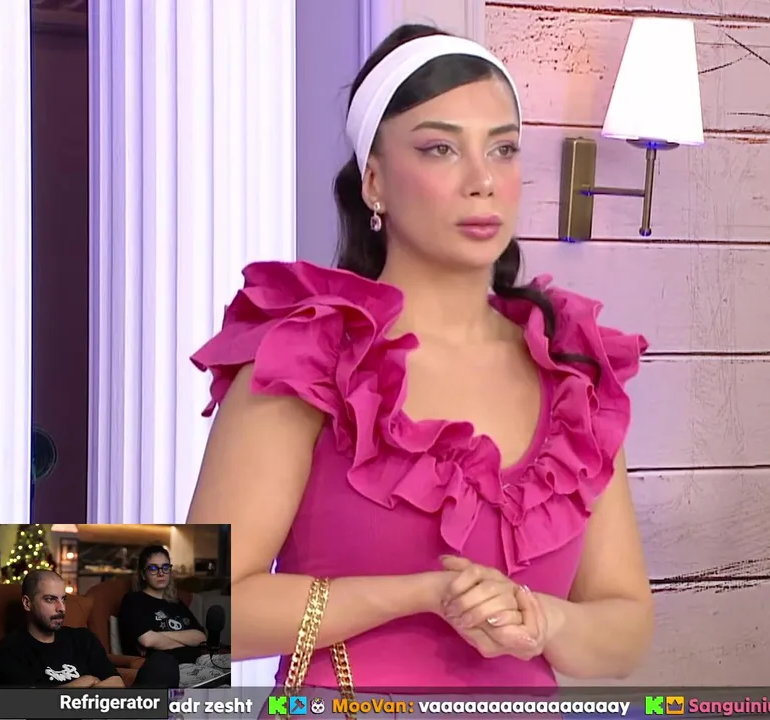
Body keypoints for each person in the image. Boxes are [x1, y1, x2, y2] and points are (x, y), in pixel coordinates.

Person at [184, 22, 652, 702]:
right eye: (440, 148)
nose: (482, 181)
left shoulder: (573, 372)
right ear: (374, 181)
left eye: (503, 149)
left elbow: (626, 628)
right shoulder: (307, 356)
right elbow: (199, 612)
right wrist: (421, 594)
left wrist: (541, 619)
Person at [0, 570, 179, 688]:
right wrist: (85, 682)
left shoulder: (82, 638)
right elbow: (33, 706)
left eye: (63, 599)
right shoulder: (9, 650)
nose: (61, 608)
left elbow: (116, 683)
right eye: (50, 599)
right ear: (27, 603)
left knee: (163, 664)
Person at [119, 545, 207, 663]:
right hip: (167, 666)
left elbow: (201, 638)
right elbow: (147, 640)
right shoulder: (133, 600)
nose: (161, 573)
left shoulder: (176, 602)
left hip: (199, 660)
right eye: (153, 568)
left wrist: (159, 635)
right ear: (143, 574)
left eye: (165, 567)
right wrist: (188, 642)